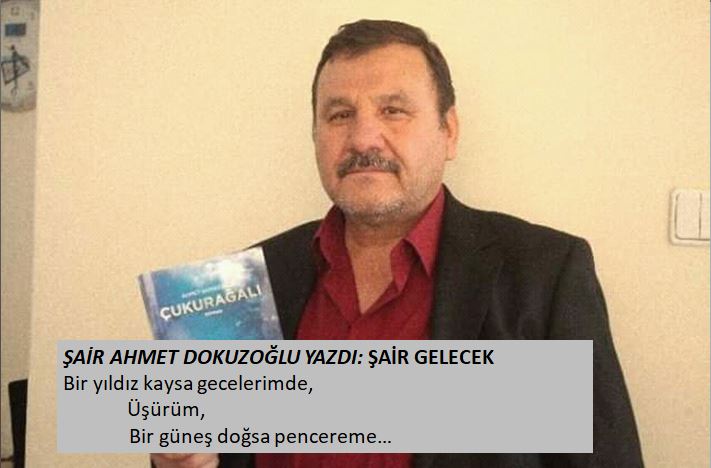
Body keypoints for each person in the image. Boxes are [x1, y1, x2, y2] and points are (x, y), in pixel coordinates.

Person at [152, 19, 644, 468]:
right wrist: (180, 459)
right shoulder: (246, 283)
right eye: (340, 115)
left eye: (393, 110)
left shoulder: (545, 274)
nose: (364, 138)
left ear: (448, 132)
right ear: (315, 135)